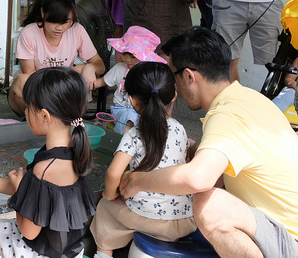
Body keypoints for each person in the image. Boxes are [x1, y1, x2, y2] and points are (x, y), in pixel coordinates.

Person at [120, 27, 298, 258]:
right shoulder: (248, 99)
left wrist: (136, 180)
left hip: (289, 240)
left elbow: (198, 178)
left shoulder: (227, 116)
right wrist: (187, 146)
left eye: (173, 75)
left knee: (210, 205)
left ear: (189, 76)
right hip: (281, 225)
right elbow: (218, 162)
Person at [91, 61, 196, 258]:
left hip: (145, 217)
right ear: (174, 94)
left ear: (132, 100)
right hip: (182, 220)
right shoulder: (180, 129)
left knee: (104, 211)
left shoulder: (134, 134)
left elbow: (113, 173)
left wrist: (110, 194)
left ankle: (103, 254)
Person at [0, 67, 97, 258]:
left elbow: (28, 231)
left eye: (27, 107)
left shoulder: (43, 170)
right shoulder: (77, 150)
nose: (25, 111)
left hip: (42, 253)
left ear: (44, 115)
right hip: (72, 250)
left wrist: (18, 192)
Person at [7, 0, 105, 117]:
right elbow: (30, 76)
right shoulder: (29, 33)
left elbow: (100, 65)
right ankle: (35, 119)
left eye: (66, 22)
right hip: (34, 91)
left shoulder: (77, 30)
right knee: (22, 81)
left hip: (60, 89)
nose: (60, 28)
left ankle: (61, 116)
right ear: (43, 13)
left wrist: (90, 67)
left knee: (82, 70)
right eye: (54, 21)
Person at [92, 25, 167, 133]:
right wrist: (86, 83)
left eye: (133, 56)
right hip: (122, 108)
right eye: (124, 54)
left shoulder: (150, 74)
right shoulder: (119, 69)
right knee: (130, 118)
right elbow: (102, 81)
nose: (127, 60)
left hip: (144, 110)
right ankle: (124, 145)